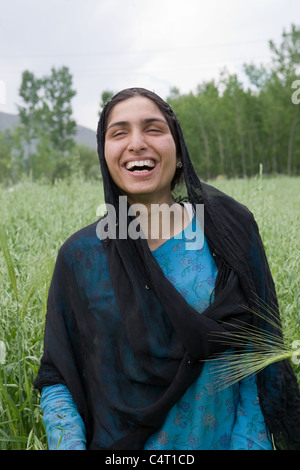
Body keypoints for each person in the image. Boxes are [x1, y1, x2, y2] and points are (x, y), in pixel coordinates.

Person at [34, 88, 300, 450]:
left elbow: (256, 352)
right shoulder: (82, 256)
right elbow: (58, 375)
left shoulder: (230, 230)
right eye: (119, 132)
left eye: (153, 128)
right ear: (105, 155)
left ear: (177, 152)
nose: (137, 142)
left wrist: (248, 444)